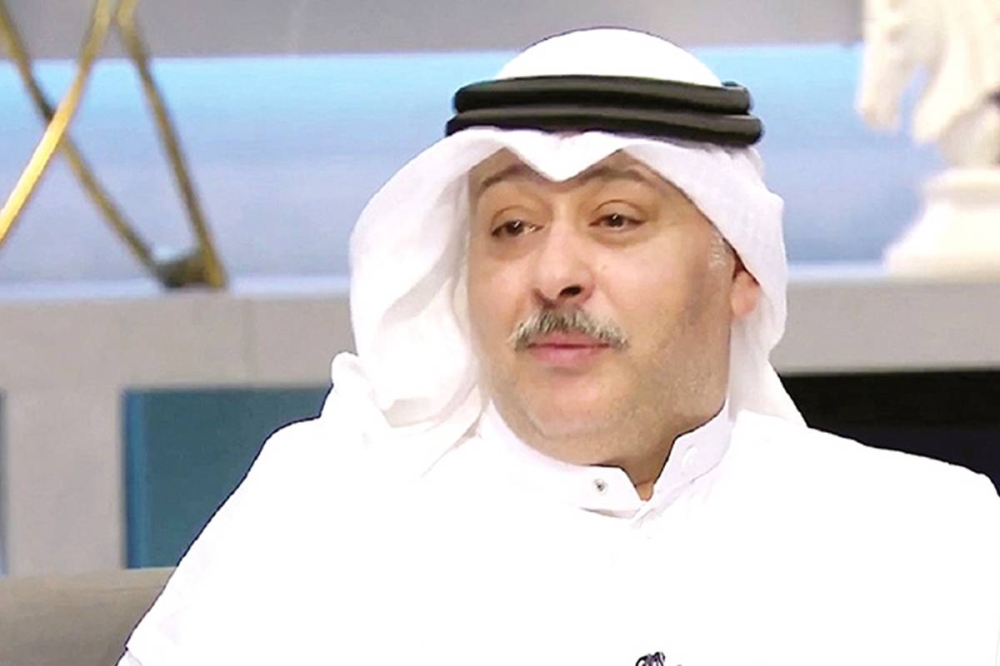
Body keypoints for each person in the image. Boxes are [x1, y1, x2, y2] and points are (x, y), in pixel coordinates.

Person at [119, 28, 1000, 666]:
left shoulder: (923, 535)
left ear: (742, 272)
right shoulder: (320, 521)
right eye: (512, 226)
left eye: (615, 220)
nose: (554, 275)